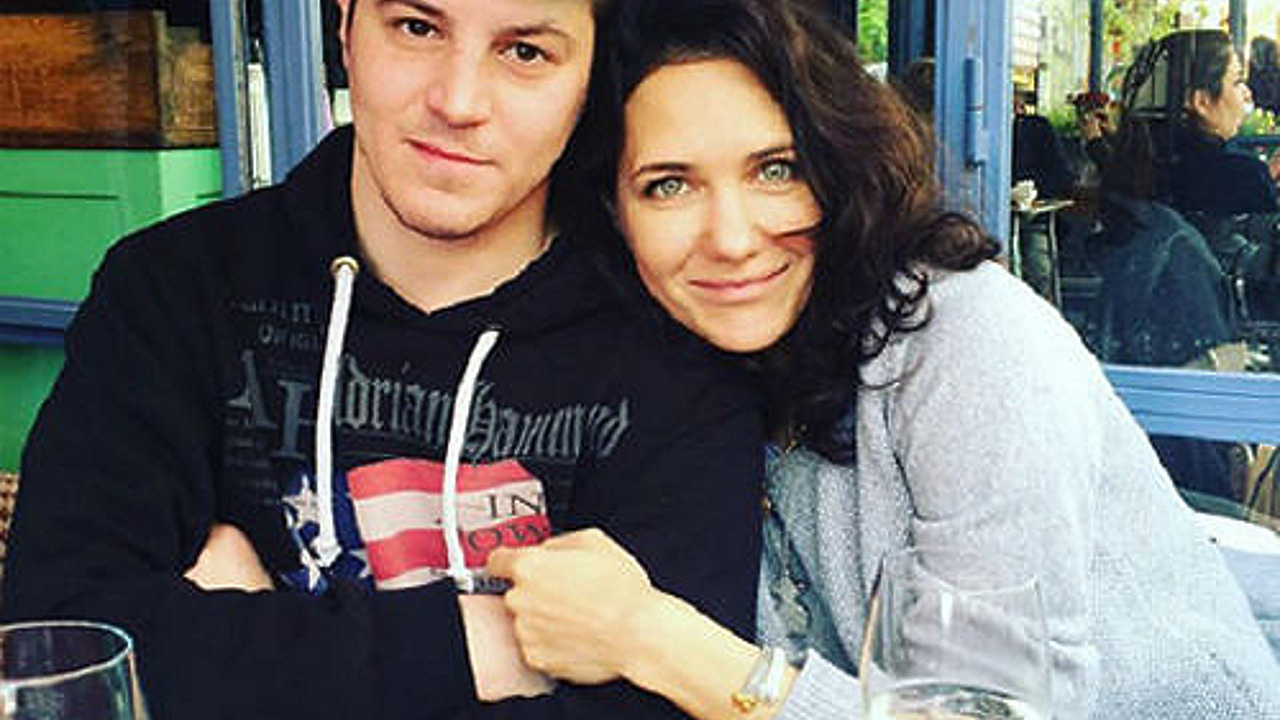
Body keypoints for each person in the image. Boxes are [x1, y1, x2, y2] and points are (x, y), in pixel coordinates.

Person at [483, 0, 1280, 718]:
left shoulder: (965, 340)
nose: (730, 239)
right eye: (669, 186)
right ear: (614, 213)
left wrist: (652, 638)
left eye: (776, 170)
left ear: (839, 168)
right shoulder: (690, 368)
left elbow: (981, 714)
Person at [0, 1, 764, 719]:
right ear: (345, 27)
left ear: (590, 80)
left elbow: (661, 701)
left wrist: (249, 640)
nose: (458, 101)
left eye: (526, 52)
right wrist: (481, 642)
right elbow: (63, 648)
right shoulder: (175, 290)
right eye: (417, 27)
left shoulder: (669, 349)